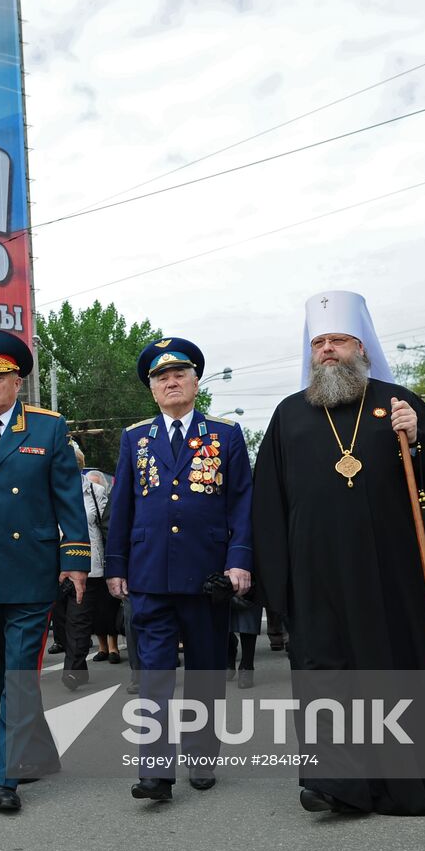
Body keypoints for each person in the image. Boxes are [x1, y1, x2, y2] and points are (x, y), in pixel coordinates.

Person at [253, 290, 425, 816]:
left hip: (398, 571)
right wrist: (277, 582)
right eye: (319, 342)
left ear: (361, 347)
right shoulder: (288, 415)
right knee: (327, 673)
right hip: (318, 575)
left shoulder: (398, 401)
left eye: (338, 341)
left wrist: (420, 442)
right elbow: (267, 504)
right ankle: (336, 782)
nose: (327, 350)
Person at [104, 337, 253, 802]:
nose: (170, 382)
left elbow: (242, 504)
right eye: (160, 377)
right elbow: (122, 505)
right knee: (154, 672)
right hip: (149, 574)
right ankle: (155, 771)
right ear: (152, 389)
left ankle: (202, 754)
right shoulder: (135, 438)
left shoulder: (224, 436)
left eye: (179, 374)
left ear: (195, 382)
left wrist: (240, 561)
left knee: (207, 668)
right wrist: (116, 565)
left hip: (207, 574)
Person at [0, 329, 90, 813]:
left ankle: (2, 774)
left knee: (20, 674)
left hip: (31, 570)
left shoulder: (47, 428)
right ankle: (40, 750)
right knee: (5, 677)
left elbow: (68, 501)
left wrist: (75, 561)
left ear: (17, 382)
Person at [63, 445, 118, 686]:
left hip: (89, 566)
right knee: (62, 620)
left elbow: (105, 527)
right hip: (55, 564)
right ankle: (77, 664)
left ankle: (74, 668)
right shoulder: (50, 490)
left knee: (79, 619)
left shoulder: (96, 491)